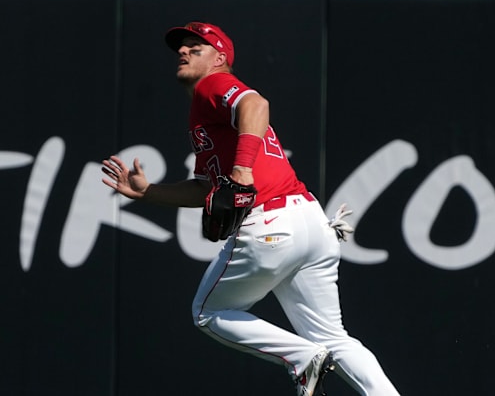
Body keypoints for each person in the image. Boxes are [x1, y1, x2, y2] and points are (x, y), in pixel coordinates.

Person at [101, 21, 400, 396]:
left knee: (207, 313)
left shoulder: (213, 84)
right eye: (182, 48)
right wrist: (150, 193)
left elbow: (257, 104)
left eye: (196, 48)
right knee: (334, 339)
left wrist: (242, 169)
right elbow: (207, 188)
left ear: (220, 58)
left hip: (271, 223)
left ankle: (301, 357)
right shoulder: (206, 111)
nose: (183, 52)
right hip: (311, 221)